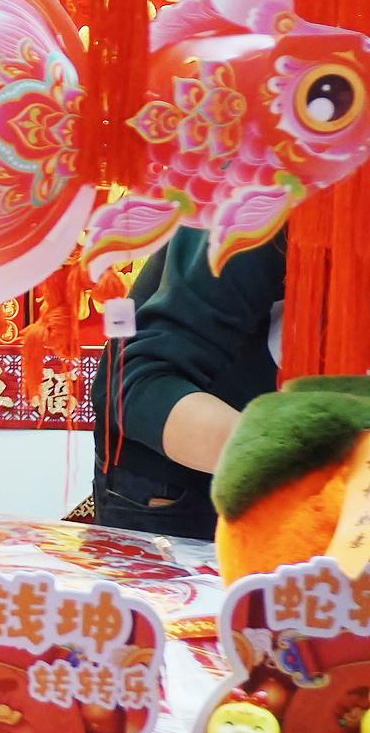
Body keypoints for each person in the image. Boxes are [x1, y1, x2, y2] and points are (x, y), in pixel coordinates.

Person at [90, 227, 285, 540]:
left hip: (305, 485)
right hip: (180, 485)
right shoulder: (261, 198)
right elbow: (142, 386)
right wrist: (308, 466)